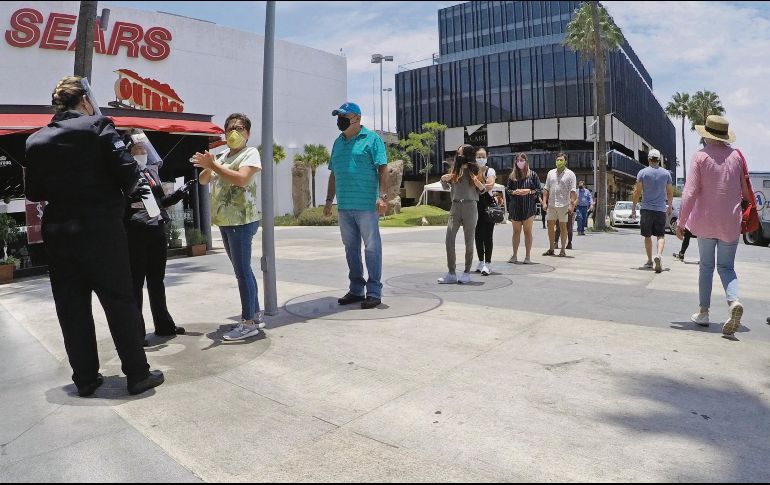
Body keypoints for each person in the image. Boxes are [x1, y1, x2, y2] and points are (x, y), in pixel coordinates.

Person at [23, 76, 163, 397]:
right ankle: (137, 374)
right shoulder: (99, 126)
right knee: (118, 301)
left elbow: (34, 193)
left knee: (71, 307)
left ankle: (85, 378)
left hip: (58, 234)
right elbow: (129, 175)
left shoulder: (35, 141)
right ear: (84, 101)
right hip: (101, 231)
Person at [676, 115, 752, 336]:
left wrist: (681, 223)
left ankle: (704, 312)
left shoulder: (699, 157)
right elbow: (745, 191)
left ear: (706, 134)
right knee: (727, 267)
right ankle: (733, 302)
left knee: (706, 267)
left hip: (706, 222)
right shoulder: (737, 157)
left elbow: (689, 193)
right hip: (730, 222)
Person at [193, 113, 264, 340]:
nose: (235, 132)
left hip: (241, 221)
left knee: (242, 272)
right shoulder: (222, 155)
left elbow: (242, 179)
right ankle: (254, 313)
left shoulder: (250, 153)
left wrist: (213, 164)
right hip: (226, 221)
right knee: (243, 270)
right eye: (231, 128)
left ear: (248, 133)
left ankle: (248, 322)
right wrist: (208, 165)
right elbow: (204, 181)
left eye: (240, 128)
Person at [125, 139, 193, 344]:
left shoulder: (152, 172)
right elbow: (118, 203)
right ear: (129, 153)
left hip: (156, 230)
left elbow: (160, 201)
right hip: (136, 232)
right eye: (137, 149)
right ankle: (136, 333)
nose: (142, 152)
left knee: (157, 281)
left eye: (144, 149)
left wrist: (179, 194)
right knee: (136, 283)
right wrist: (129, 198)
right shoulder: (124, 173)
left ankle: (164, 325)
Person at [323, 102, 388, 308]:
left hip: (366, 205)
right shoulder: (338, 142)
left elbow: (383, 168)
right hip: (344, 206)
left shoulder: (372, 139)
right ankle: (356, 290)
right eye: (338, 116)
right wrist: (328, 201)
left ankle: (374, 292)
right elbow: (334, 172)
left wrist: (383, 196)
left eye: (344, 116)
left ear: (357, 119)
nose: (339, 120)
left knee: (371, 248)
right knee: (351, 249)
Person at [438, 144, 486, 284]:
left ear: (467, 154)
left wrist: (478, 183)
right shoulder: (455, 169)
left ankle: (466, 272)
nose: (458, 155)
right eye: (457, 153)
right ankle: (451, 272)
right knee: (449, 238)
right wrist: (443, 179)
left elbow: (482, 191)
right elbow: (447, 188)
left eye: (460, 153)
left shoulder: (476, 169)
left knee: (469, 241)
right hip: (455, 205)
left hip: (470, 206)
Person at [631, 149, 673, 274]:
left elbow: (637, 192)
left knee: (647, 236)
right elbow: (670, 193)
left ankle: (649, 260)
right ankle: (658, 255)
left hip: (646, 209)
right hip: (660, 209)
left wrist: (633, 207)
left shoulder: (642, 173)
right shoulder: (666, 174)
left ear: (649, 159)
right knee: (660, 235)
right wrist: (669, 206)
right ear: (659, 160)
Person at [506, 153, 541, 264]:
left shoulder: (533, 175)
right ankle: (514, 255)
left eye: (522, 160)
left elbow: (539, 189)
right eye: (518, 160)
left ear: (526, 161)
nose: (520, 162)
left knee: (527, 232)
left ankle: (527, 257)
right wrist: (514, 192)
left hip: (528, 207)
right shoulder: (512, 176)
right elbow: (507, 190)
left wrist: (529, 191)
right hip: (515, 207)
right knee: (516, 232)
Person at [542, 153, 577, 257]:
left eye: (561, 160)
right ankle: (551, 249)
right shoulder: (550, 173)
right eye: (557, 160)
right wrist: (544, 202)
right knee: (550, 226)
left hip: (564, 204)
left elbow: (573, 191)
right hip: (552, 204)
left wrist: (571, 205)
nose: (559, 162)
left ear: (565, 161)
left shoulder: (570, 174)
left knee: (563, 227)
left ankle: (562, 250)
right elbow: (546, 189)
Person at [474, 147, 497, 276]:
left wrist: (477, 184)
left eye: (483, 156)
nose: (480, 159)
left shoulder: (490, 170)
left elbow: (490, 185)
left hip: (487, 205)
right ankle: (480, 261)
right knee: (477, 235)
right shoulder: (472, 171)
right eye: (478, 157)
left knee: (488, 235)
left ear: (487, 157)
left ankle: (487, 263)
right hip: (475, 205)